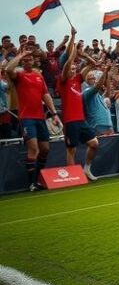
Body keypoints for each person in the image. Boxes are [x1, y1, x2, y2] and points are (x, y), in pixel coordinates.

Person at [5, 40, 61, 190]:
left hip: (40, 117)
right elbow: (8, 69)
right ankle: (31, 183)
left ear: (33, 61)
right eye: (25, 60)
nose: (28, 61)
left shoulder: (38, 76)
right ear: (22, 62)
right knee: (34, 149)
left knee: (45, 149)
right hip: (27, 118)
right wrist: (21, 54)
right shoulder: (19, 75)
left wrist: (54, 113)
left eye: (30, 59)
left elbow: (46, 95)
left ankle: (38, 179)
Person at [58, 28, 99, 180]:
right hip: (70, 121)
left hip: (81, 120)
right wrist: (74, 49)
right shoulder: (62, 81)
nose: (74, 70)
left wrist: (84, 55)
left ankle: (86, 169)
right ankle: (71, 178)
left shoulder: (77, 79)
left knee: (94, 143)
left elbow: (93, 64)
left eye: (75, 68)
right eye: (72, 68)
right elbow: (67, 65)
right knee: (71, 150)